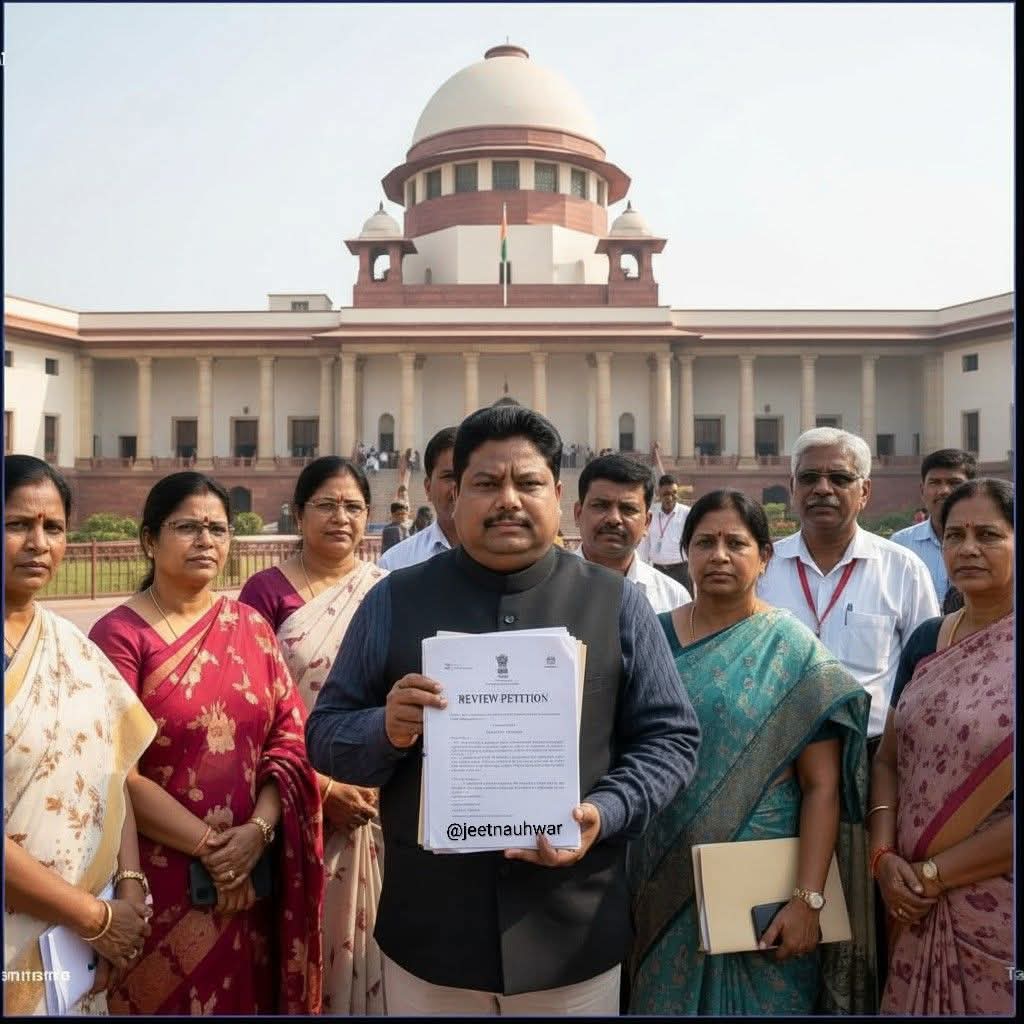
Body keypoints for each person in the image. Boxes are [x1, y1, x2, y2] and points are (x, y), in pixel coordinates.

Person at [306, 404, 700, 1015]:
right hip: (432, 938)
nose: (508, 500)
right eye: (487, 483)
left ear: (558, 495)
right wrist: (385, 728)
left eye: (528, 483)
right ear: (454, 495)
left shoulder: (615, 602)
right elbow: (325, 735)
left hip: (572, 935)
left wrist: (604, 812)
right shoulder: (394, 599)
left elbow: (671, 740)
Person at [630, 489, 873, 1014]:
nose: (719, 555)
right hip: (659, 874)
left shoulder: (792, 649)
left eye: (735, 543)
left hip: (762, 890)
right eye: (704, 543)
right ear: (686, 553)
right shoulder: (651, 638)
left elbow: (822, 786)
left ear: (764, 556)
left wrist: (807, 900)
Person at [88, 472, 323, 1015]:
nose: (205, 540)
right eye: (187, 527)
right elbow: (117, 771)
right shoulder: (121, 637)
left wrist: (257, 833)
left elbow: (289, 741)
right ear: (149, 539)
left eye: (217, 529)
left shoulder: (252, 627)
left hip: (251, 875)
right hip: (162, 877)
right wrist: (214, 850)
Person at [4, 456, 156, 1016]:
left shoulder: (75, 648)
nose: (38, 543)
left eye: (54, 527)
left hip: (76, 950)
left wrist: (129, 889)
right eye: (17, 524)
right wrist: (95, 918)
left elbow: (113, 776)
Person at [239, 457, 388, 1014]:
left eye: (353, 506)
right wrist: (321, 788)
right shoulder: (265, 592)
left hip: (380, 801)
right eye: (326, 505)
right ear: (298, 514)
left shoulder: (387, 591)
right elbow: (252, 709)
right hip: (291, 800)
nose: (340, 517)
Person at [869, 478, 1013, 1015]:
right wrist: (883, 857)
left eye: (988, 535)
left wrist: (935, 874)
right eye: (954, 535)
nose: (968, 548)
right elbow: (889, 759)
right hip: (908, 900)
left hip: (995, 902)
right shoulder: (928, 639)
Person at [758, 428, 939, 751]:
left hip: (873, 751)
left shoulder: (903, 570)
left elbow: (927, 673)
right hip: (779, 755)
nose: (822, 488)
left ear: (864, 491)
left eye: (839, 478)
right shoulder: (762, 568)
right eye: (809, 478)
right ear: (793, 487)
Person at [573, 453, 691, 614]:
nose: (614, 519)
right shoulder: (545, 590)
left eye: (628, 509)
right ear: (578, 514)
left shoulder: (673, 599)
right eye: (600, 505)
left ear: (647, 522)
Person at [890, 449, 976, 608]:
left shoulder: (990, 543)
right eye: (935, 482)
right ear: (922, 491)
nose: (944, 491)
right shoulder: (900, 544)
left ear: (973, 490)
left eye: (954, 483)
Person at [377, 427, 459, 571]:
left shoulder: (502, 559)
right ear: (428, 488)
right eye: (449, 477)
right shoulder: (395, 564)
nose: (459, 487)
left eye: (474, 478)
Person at [637, 473, 691, 593]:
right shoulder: (651, 513)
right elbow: (645, 543)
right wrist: (642, 567)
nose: (670, 497)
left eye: (674, 493)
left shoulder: (687, 514)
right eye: (666, 494)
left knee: (686, 603)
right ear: (659, 493)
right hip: (657, 571)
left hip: (681, 570)